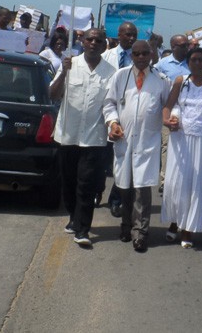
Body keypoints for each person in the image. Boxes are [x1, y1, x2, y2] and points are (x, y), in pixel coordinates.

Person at [103, 40, 171, 252]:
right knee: (124, 187)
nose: (141, 57)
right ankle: (126, 225)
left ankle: (140, 232)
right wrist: (113, 123)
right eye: (137, 54)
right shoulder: (120, 76)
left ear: (151, 55)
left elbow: (169, 107)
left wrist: (172, 119)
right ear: (131, 55)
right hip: (124, 140)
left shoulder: (161, 80)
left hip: (147, 141)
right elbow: (109, 103)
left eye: (145, 53)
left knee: (142, 189)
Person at [49, 28, 114, 247]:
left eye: (98, 40)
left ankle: (83, 229)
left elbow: (110, 105)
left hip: (94, 138)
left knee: (87, 184)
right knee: (68, 183)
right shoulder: (69, 64)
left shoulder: (111, 72)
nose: (94, 43)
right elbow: (53, 94)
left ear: (105, 45)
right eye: (90, 39)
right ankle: (73, 217)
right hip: (68, 134)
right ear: (82, 42)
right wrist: (64, 73)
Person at [161, 47, 202, 249]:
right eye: (193, 60)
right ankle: (175, 221)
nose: (197, 64)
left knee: (196, 185)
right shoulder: (181, 81)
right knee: (177, 183)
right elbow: (167, 106)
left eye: (201, 60)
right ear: (188, 62)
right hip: (181, 138)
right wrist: (167, 121)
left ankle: (188, 229)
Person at [101, 22, 138, 218]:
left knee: (121, 162)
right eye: (127, 34)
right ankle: (98, 191)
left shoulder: (139, 59)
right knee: (103, 160)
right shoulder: (107, 56)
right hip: (107, 113)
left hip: (127, 116)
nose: (131, 38)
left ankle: (116, 199)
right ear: (119, 34)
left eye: (134, 35)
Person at [155, 34, 191, 192]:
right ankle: (164, 181)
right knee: (167, 145)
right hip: (169, 110)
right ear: (173, 46)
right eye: (182, 45)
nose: (185, 48)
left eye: (187, 45)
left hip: (189, 111)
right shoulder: (162, 65)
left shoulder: (192, 63)